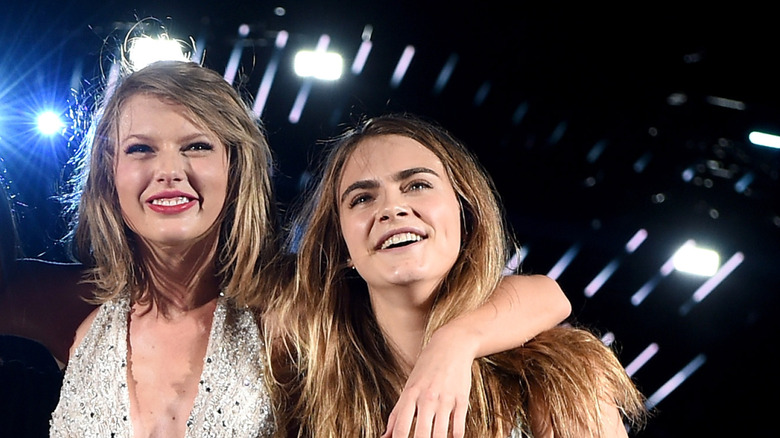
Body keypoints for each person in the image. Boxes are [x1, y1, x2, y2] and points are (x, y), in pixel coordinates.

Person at [2, 58, 571, 436]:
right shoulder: (67, 302)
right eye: (141, 149)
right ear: (108, 173)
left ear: (235, 167)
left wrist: (457, 340)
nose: (169, 172)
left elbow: (546, 296)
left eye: (197, 146)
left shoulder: (295, 297)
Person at [267, 113, 649, 437]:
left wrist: (453, 343)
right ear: (342, 246)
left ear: (465, 217)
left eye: (416, 185)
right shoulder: (307, 394)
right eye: (363, 198)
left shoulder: (556, 373)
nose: (392, 208)